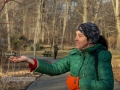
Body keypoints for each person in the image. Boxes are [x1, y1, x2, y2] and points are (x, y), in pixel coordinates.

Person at [9, 22, 114, 90]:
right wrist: (28, 60)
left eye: (80, 36)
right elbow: (54, 68)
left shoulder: (101, 56)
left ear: (90, 40)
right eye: (75, 35)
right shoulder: (75, 55)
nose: (75, 38)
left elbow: (107, 85)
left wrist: (78, 83)